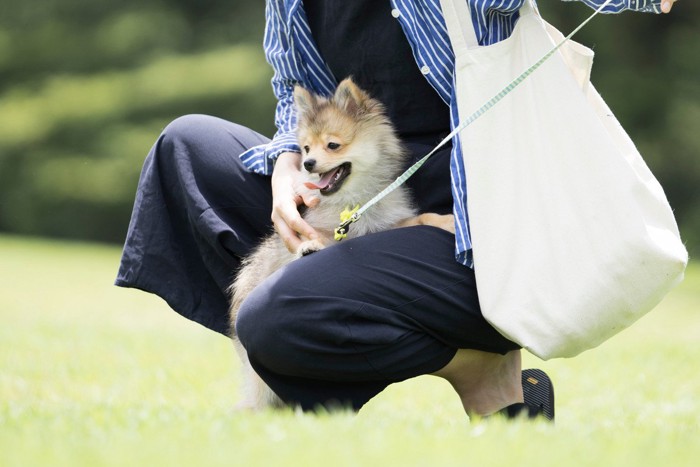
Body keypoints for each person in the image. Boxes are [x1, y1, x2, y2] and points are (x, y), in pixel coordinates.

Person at [116, 0, 677, 419]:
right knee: (186, 149)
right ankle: (305, 350)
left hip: (472, 239)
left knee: (274, 314)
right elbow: (296, 89)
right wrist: (288, 160)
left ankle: (477, 365)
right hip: (358, 206)